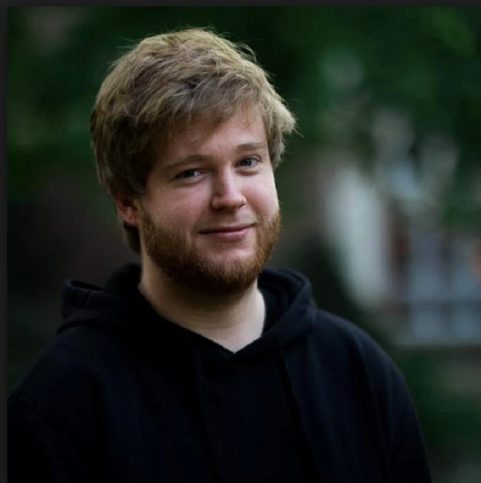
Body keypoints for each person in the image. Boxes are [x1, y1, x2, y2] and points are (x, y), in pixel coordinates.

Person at [8, 28, 431, 483]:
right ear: (129, 203)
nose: (230, 196)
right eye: (191, 172)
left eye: (248, 162)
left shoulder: (358, 373)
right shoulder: (61, 403)